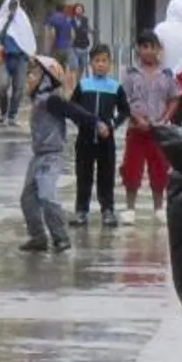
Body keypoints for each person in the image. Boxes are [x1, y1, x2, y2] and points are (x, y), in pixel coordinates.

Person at [18, 56, 107, 253]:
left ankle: (61, 237)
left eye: (35, 73)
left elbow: (75, 111)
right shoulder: (38, 99)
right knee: (27, 198)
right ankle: (38, 237)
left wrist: (96, 122)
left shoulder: (53, 100)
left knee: (47, 196)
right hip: (38, 155)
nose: (30, 77)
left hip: (51, 156)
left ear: (47, 78)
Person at [119, 30, 181, 221]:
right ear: (138, 50)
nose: (148, 51)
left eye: (151, 46)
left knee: (160, 167)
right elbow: (123, 99)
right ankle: (130, 208)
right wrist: (137, 118)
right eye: (144, 46)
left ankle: (158, 208)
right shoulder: (130, 74)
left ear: (158, 49)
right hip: (136, 130)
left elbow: (174, 98)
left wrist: (164, 119)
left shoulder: (167, 74)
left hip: (158, 130)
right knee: (131, 166)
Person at [69, 44, 129, 228]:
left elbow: (125, 111)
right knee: (83, 174)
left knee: (106, 175)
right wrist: (83, 123)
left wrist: (111, 125)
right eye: (97, 61)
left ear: (110, 64)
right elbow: (73, 108)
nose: (101, 64)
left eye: (104, 61)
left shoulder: (115, 87)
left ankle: (108, 210)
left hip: (106, 139)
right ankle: (81, 210)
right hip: (85, 139)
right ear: (90, 64)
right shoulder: (83, 85)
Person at [0, 0, 36, 126]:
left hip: (21, 57)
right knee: (3, 86)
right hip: (3, 57)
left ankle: (12, 114)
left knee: (19, 88)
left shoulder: (23, 20)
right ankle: (3, 111)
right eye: (11, 5)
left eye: (15, 5)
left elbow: (28, 39)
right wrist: (7, 21)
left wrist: (30, 54)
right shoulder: (0, 20)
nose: (13, 8)